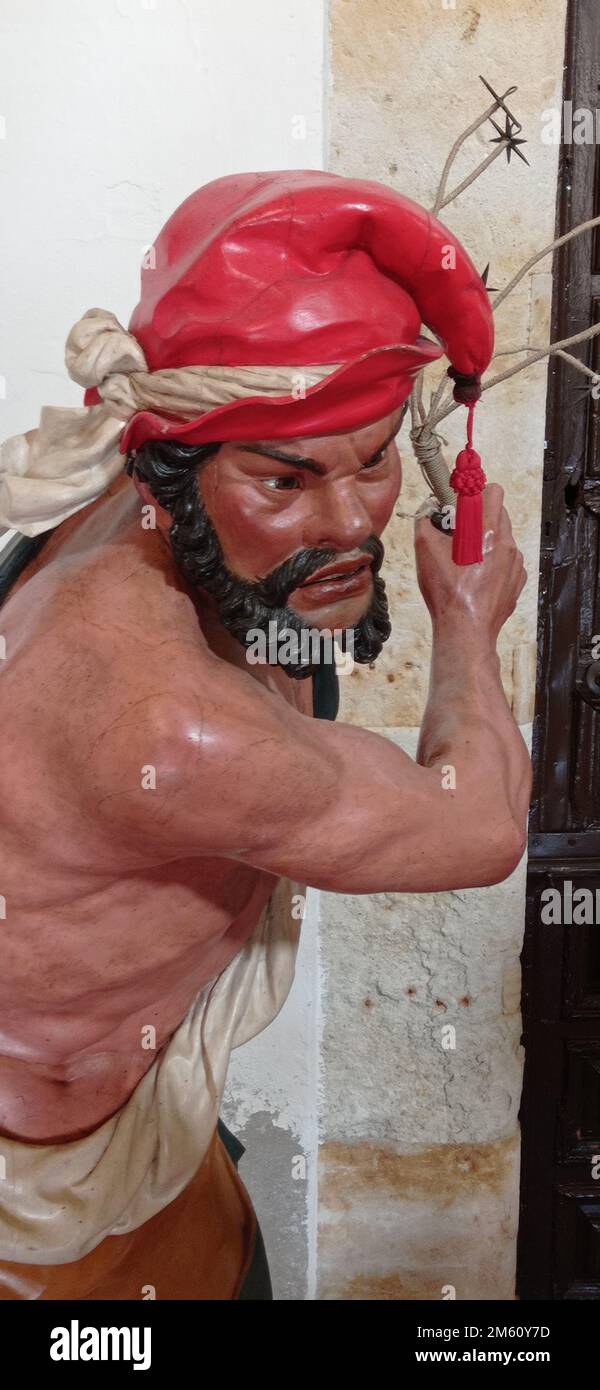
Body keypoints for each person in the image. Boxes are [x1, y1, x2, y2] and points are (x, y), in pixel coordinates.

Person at [0, 170, 531, 1299]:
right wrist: (468, 622)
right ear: (175, 462)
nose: (348, 523)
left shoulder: (144, 518)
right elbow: (477, 824)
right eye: (286, 477)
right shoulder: (174, 725)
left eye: (376, 459)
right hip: (38, 1227)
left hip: (148, 1144)